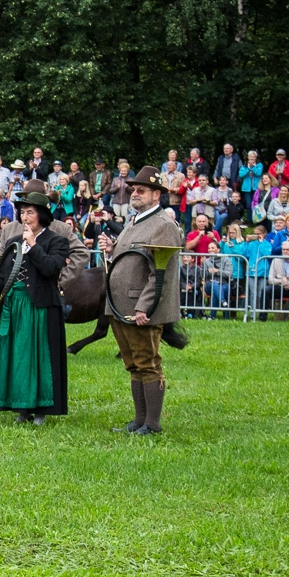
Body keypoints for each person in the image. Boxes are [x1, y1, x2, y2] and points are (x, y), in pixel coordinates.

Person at [98, 166, 182, 434]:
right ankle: (139, 420)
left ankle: (152, 424)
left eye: (141, 190)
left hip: (140, 308)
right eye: (133, 190)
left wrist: (145, 307)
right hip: (120, 305)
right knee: (134, 364)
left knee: (148, 364)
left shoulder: (163, 225)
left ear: (157, 195)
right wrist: (112, 249)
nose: (135, 193)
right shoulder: (135, 221)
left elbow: (161, 274)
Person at [0, 189, 70, 423]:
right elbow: (2, 275)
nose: (25, 217)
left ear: (42, 215)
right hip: (15, 306)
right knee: (18, 356)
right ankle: (21, 407)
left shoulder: (57, 241)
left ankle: (41, 409)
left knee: (40, 357)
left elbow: (51, 269)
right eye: (22, 213)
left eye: (30, 212)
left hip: (41, 307)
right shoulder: (13, 242)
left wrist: (33, 244)